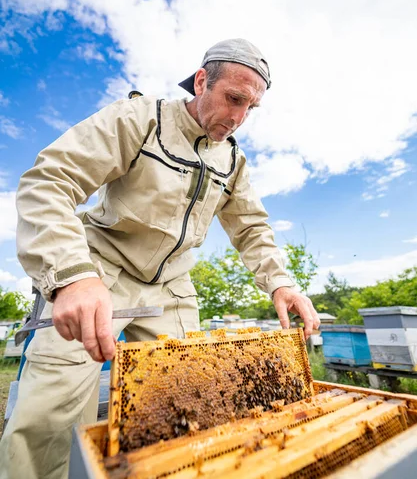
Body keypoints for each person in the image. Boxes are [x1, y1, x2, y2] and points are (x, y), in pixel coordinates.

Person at [0, 38, 320, 478]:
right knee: (50, 410)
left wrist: (282, 283)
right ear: (202, 81)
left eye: (251, 108)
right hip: (99, 271)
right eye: (233, 99)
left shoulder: (233, 161)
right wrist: (72, 276)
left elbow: (251, 228)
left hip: (171, 285)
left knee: (191, 402)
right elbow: (49, 181)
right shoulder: (140, 119)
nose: (238, 118)